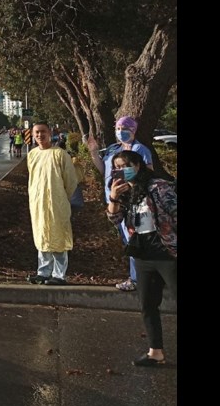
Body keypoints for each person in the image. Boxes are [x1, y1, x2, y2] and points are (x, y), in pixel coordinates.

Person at [106, 149, 177, 367]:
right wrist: (114, 197)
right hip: (143, 254)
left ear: (138, 165)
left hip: (167, 252)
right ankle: (156, 352)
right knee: (147, 304)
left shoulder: (159, 186)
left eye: (124, 166)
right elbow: (115, 218)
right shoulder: (126, 192)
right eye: (116, 167)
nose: (120, 171)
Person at [86, 115, 155, 292]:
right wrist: (93, 152)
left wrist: (131, 183)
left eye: (125, 129)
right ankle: (139, 277)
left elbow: (148, 174)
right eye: (118, 128)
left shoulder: (140, 149)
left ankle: (138, 279)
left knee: (135, 239)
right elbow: (104, 171)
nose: (120, 132)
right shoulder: (113, 149)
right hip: (114, 201)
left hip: (133, 201)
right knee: (128, 240)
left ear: (133, 130)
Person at [26, 122, 77, 286]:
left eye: (43, 132)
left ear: (50, 133)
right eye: (36, 133)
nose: (40, 135)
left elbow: (70, 180)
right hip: (38, 203)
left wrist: (61, 197)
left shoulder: (60, 154)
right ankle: (43, 272)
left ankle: (59, 274)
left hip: (57, 202)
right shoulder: (32, 154)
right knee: (42, 236)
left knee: (58, 237)